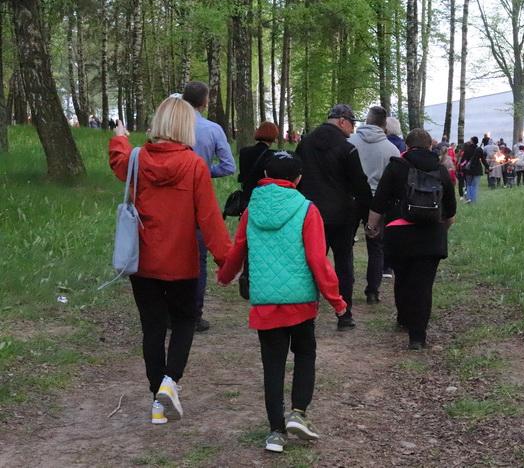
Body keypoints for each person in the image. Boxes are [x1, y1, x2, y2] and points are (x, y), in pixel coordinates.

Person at [108, 97, 232, 425]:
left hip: (143, 261)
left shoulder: (137, 159)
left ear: (158, 122)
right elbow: (210, 219)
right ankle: (169, 382)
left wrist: (120, 137)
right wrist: (226, 261)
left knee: (152, 327)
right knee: (184, 321)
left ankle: (157, 401)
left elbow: (118, 160)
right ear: (186, 127)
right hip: (181, 261)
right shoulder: (194, 166)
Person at [217, 152, 347, 453]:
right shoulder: (307, 209)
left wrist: (225, 276)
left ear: (265, 175)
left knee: (272, 366)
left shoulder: (251, 209)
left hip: (265, 303)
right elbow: (318, 260)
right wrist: (337, 301)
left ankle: (275, 431)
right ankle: (298, 413)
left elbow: (238, 249)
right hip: (301, 301)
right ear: (298, 178)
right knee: (305, 354)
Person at [365, 128, 456, 349]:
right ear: (430, 146)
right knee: (423, 286)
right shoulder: (441, 170)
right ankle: (417, 336)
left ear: (407, 146)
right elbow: (451, 211)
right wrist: (442, 229)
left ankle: (404, 319)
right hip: (431, 236)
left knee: (403, 278)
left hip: (399, 234)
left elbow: (379, 201)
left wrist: (372, 226)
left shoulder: (396, 167)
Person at [295, 104, 371, 331]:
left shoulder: (305, 144)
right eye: (352, 123)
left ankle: (307, 313)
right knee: (344, 264)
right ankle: (345, 314)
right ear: (341, 121)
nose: (353, 129)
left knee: (310, 263)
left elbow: (296, 176)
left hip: (310, 214)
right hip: (342, 215)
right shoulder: (347, 148)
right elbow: (360, 183)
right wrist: (368, 214)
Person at [182, 81, 236, 332]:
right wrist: (204, 171)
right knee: (198, 258)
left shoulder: (167, 126)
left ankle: (170, 312)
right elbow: (228, 166)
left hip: (165, 199)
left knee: (167, 252)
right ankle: (193, 315)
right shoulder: (212, 129)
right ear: (204, 102)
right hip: (197, 198)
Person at [348, 106, 400, 305]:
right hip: (377, 201)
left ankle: (346, 285)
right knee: (376, 246)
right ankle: (372, 291)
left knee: (346, 245)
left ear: (367, 121)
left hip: (352, 198)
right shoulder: (391, 149)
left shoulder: (349, 143)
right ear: (384, 124)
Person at [238, 121, 278, 208]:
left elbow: (242, 175)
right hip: (264, 196)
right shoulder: (272, 155)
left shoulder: (244, 151)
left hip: (247, 196)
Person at [458, 136, 488, 203]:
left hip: (468, 170)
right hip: (477, 169)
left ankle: (469, 199)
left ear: (472, 141)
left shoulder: (467, 149)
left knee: (469, 185)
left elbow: (463, 160)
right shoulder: (479, 149)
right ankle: (473, 200)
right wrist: (488, 167)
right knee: (474, 186)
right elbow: (483, 160)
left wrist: (462, 168)